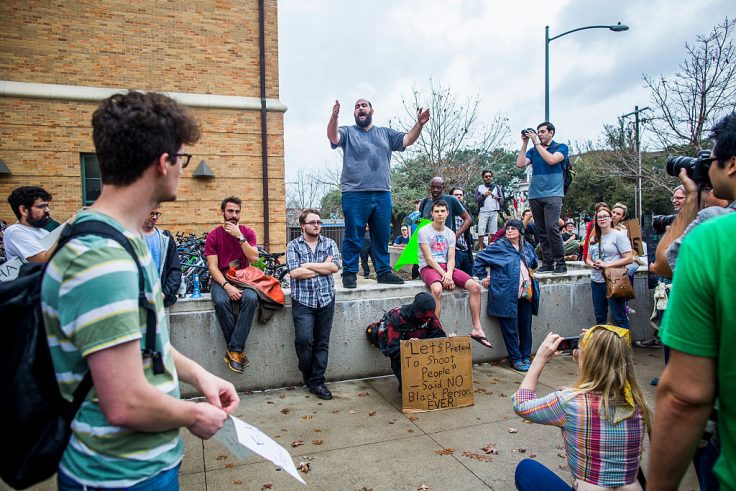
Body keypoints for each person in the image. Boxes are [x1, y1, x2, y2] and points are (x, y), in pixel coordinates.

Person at [41, 91, 238, 489]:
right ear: (163, 164)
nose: (183, 169)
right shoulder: (100, 259)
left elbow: (147, 340)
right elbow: (124, 402)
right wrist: (194, 415)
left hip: (146, 466)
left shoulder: (124, 241)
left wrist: (200, 376)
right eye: (182, 159)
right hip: (116, 477)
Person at [648, 113, 736, 491]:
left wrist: (693, 201)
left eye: (711, 161)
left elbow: (686, 397)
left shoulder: (714, 238)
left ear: (731, 165)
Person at [513, 326, 651, 491]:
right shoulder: (639, 403)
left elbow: (521, 404)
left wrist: (539, 360)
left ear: (588, 360)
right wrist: (602, 341)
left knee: (526, 469)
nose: (575, 353)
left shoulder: (569, 402)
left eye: (579, 351)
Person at [327, 98, 429, 288]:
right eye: (356, 106)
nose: (360, 108)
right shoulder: (348, 132)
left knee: (382, 235)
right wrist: (334, 117)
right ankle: (349, 273)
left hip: (382, 193)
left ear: (372, 110)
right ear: (355, 113)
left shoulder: (385, 134)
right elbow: (333, 138)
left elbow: (407, 139)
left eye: (363, 105)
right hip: (354, 193)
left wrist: (420, 124)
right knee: (353, 234)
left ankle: (383, 272)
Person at [416, 200, 490, 348]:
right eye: (436, 211)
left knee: (475, 287)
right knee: (437, 289)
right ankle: (435, 330)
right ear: (432, 213)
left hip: (446, 267)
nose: (440, 214)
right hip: (428, 267)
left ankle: (477, 328)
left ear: (447, 213)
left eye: (442, 211)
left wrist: (448, 274)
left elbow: (451, 258)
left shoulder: (450, 233)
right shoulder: (423, 231)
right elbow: (429, 259)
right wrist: (444, 275)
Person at [286, 209, 341, 401]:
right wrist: (321, 268)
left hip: (326, 299)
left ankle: (317, 381)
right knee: (304, 340)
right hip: (303, 300)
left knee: (322, 342)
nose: (317, 225)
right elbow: (294, 273)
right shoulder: (293, 245)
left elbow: (334, 267)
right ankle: (307, 372)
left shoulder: (330, 243)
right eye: (312, 222)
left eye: (319, 222)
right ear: (303, 225)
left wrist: (307, 265)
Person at [473, 219, 539, 372]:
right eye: (507, 228)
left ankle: (526, 356)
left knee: (525, 326)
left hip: (525, 293)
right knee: (510, 328)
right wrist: (483, 277)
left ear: (520, 231)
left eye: (513, 228)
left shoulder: (526, 246)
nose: (509, 231)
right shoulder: (499, 246)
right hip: (506, 293)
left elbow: (534, 262)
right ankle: (515, 358)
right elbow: (479, 259)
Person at [205, 196, 260, 374]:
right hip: (221, 279)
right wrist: (227, 286)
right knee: (221, 302)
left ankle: (234, 350)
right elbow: (212, 267)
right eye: (230, 211)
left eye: (237, 212)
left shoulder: (247, 233)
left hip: (243, 278)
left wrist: (240, 237)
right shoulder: (214, 236)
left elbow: (254, 258)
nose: (234, 215)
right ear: (222, 212)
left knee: (251, 298)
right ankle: (236, 351)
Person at [516, 122, 569, 274]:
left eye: (543, 131)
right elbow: (520, 164)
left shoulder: (561, 147)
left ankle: (560, 262)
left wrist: (537, 143)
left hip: (553, 194)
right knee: (542, 230)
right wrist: (525, 143)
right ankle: (547, 262)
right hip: (535, 195)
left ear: (551, 133)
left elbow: (552, 160)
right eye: (538, 132)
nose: (539, 134)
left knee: (552, 227)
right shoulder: (533, 150)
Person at [585, 206, 633, 329]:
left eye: (605, 216)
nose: (602, 219)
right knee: (600, 317)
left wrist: (607, 265)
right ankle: (602, 347)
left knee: (619, 317)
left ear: (611, 218)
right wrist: (592, 264)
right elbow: (588, 258)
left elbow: (629, 258)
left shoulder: (618, 236)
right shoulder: (594, 238)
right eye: (599, 217)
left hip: (613, 280)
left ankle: (624, 347)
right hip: (596, 281)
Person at [420, 177, 474, 276]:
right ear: (430, 188)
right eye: (433, 187)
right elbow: (420, 223)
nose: (436, 190)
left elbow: (468, 219)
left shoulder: (451, 199)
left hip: (446, 250)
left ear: (443, 188)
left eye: (439, 187)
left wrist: (455, 236)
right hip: (429, 250)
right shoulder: (424, 203)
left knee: (449, 277)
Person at [142, 205, 182, 307]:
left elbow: (175, 270)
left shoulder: (166, 238)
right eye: (151, 213)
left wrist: (164, 294)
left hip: (162, 301)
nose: (155, 217)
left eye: (157, 214)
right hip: (138, 303)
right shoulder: (131, 237)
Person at [5, 186, 57, 263]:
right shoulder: (14, 231)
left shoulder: (43, 232)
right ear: (23, 210)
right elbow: (43, 260)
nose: (47, 210)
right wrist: (67, 230)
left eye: (47, 206)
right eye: (42, 206)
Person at [475, 170, 504, 249]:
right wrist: (483, 195)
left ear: (492, 177)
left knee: (493, 232)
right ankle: (481, 248)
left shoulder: (497, 187)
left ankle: (489, 248)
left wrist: (497, 198)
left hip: (494, 211)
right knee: (481, 231)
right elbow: (476, 200)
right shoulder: (480, 187)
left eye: (490, 176)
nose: (488, 178)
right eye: (486, 176)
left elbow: (502, 200)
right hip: (483, 211)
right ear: (483, 178)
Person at [449, 186, 475, 275]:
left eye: (461, 195)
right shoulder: (446, 211)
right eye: (456, 195)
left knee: (469, 276)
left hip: (466, 249)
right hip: (453, 250)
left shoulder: (466, 211)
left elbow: (470, 226)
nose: (459, 196)